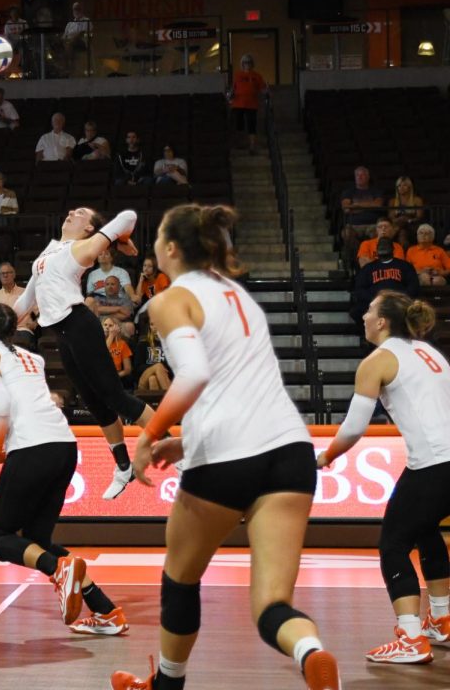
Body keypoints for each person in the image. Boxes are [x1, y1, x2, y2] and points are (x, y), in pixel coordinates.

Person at [111, 204, 339, 690]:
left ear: (170, 248)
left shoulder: (172, 298)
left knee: (180, 579)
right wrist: (186, 439)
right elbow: (240, 384)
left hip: (227, 458)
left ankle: (167, 685)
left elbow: (196, 374)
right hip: (290, 451)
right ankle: (310, 652)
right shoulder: (238, 294)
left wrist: (150, 437)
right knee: (272, 606)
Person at [0, 303, 128, 638]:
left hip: (33, 448)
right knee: (37, 540)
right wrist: (6, 447)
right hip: (62, 446)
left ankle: (59, 569)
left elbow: (0, 404)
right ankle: (106, 610)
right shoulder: (33, 357)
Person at [317, 291, 450, 663]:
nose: (363, 316)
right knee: (424, 531)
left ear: (382, 322)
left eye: (369, 311)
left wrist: (325, 456)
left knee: (392, 545)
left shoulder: (377, 360)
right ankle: (441, 618)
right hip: (444, 461)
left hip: (434, 464)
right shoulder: (430, 352)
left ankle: (410, 637)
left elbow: (354, 428)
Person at [12, 207, 153, 500]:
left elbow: (127, 215)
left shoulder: (83, 248)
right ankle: (123, 466)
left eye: (80, 213)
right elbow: (27, 299)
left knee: (115, 397)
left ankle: (178, 451)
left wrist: (117, 239)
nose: (71, 212)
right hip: (61, 334)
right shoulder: (49, 251)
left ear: (90, 229)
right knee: (94, 402)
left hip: (79, 324)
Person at [229, 53, 269, 153]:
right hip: (238, 103)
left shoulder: (257, 76)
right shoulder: (238, 75)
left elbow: (262, 88)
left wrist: (267, 91)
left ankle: (252, 145)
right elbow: (233, 88)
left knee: (252, 125)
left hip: (252, 104)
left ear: (252, 64)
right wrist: (230, 94)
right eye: (245, 62)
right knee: (239, 124)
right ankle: (240, 144)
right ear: (242, 64)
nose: (247, 64)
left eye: (249, 62)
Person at [135, 322, 172, 392]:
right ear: (149, 327)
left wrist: (160, 372)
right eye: (152, 324)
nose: (154, 327)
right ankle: (172, 399)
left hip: (164, 379)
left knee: (152, 379)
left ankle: (156, 402)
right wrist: (154, 368)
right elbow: (138, 368)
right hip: (143, 379)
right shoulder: (143, 343)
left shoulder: (169, 344)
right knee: (158, 366)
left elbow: (173, 368)